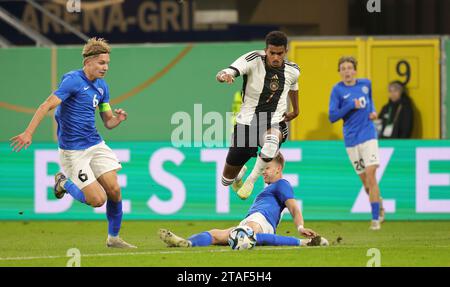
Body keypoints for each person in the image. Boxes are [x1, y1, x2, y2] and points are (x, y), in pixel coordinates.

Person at [10, 38, 136, 248]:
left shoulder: (102, 87)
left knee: (114, 189)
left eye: (107, 64)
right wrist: (28, 132)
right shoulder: (72, 80)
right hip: (73, 151)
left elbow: (108, 121)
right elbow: (46, 105)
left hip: (95, 144)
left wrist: (118, 119)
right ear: (88, 62)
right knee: (98, 200)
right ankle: (64, 183)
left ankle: (113, 238)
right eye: (101, 63)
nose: (105, 68)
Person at [159, 153, 329, 248]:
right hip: (251, 219)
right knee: (217, 235)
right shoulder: (268, 188)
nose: (263, 171)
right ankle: (187, 243)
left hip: (262, 221)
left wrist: (300, 227)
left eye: (266, 168)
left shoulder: (282, 184)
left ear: (279, 169)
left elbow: (294, 208)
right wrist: (238, 182)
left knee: (251, 234)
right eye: (262, 168)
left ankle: (304, 242)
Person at [216, 31, 300, 200]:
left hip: (274, 121)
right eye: (272, 53)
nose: (275, 57)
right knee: (226, 180)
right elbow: (231, 70)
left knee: (271, 143)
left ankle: (251, 181)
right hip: (247, 123)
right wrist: (224, 75)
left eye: (280, 53)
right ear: (266, 50)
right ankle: (239, 175)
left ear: (286, 51)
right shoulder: (253, 59)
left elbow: (294, 87)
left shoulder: (293, 70)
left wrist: (296, 110)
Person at [328, 56, 384, 230]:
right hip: (351, 140)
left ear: (355, 70)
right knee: (366, 183)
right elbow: (332, 117)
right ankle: (379, 204)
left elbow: (371, 101)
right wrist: (350, 105)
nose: (346, 71)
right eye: (343, 68)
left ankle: (375, 219)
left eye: (349, 68)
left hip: (368, 135)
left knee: (371, 174)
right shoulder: (337, 90)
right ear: (340, 72)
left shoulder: (366, 84)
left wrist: (373, 111)